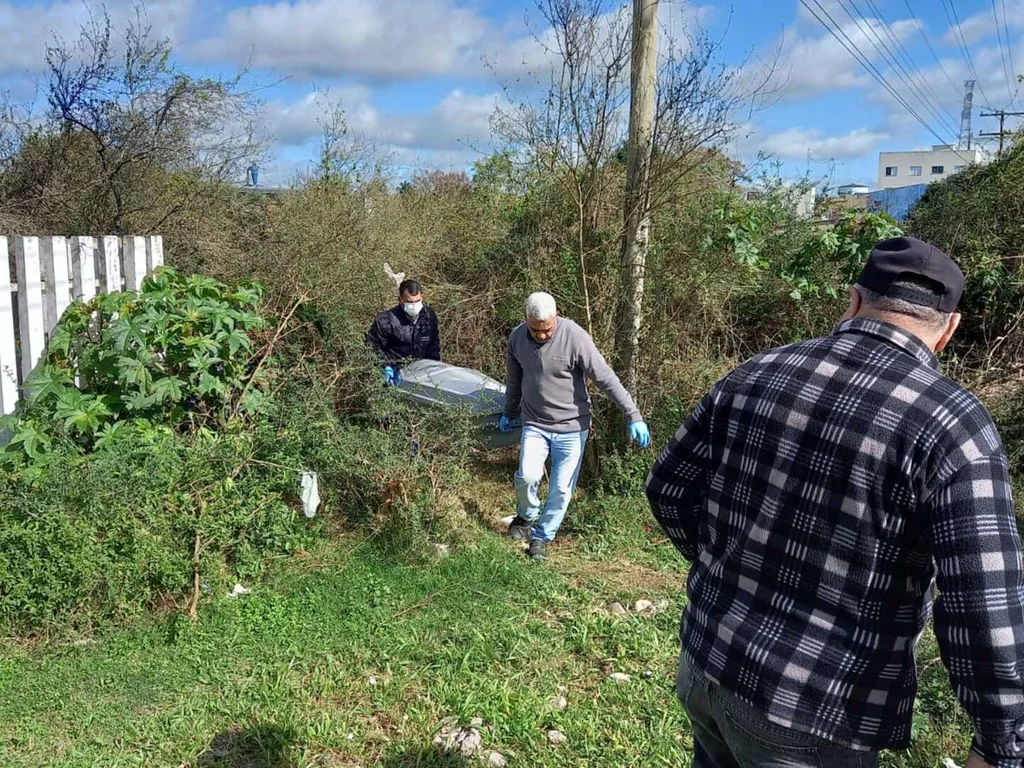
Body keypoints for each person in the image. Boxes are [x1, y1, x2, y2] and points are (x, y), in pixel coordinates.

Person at [646, 236, 1024, 768]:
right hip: (814, 712)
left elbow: (667, 487)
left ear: (853, 301)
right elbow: (983, 602)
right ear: (949, 329)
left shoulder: (755, 374)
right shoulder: (952, 424)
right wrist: (1003, 742)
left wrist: (727, 566)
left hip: (707, 662)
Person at [499, 291, 651, 560]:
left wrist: (633, 414)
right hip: (535, 421)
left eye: (546, 330)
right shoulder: (517, 338)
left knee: (561, 488)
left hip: (571, 426)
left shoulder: (575, 337)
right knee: (527, 476)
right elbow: (514, 380)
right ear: (526, 320)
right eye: (535, 330)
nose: (542, 336)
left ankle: (541, 537)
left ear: (556, 317)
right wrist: (509, 411)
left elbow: (605, 377)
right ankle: (526, 516)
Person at [366, 279, 441, 384]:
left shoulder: (429, 316)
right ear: (400, 300)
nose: (414, 306)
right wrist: (386, 366)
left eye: (417, 301)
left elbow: (434, 343)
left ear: (422, 297)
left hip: (423, 373)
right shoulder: (386, 320)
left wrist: (434, 366)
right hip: (396, 373)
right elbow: (372, 346)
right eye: (410, 302)